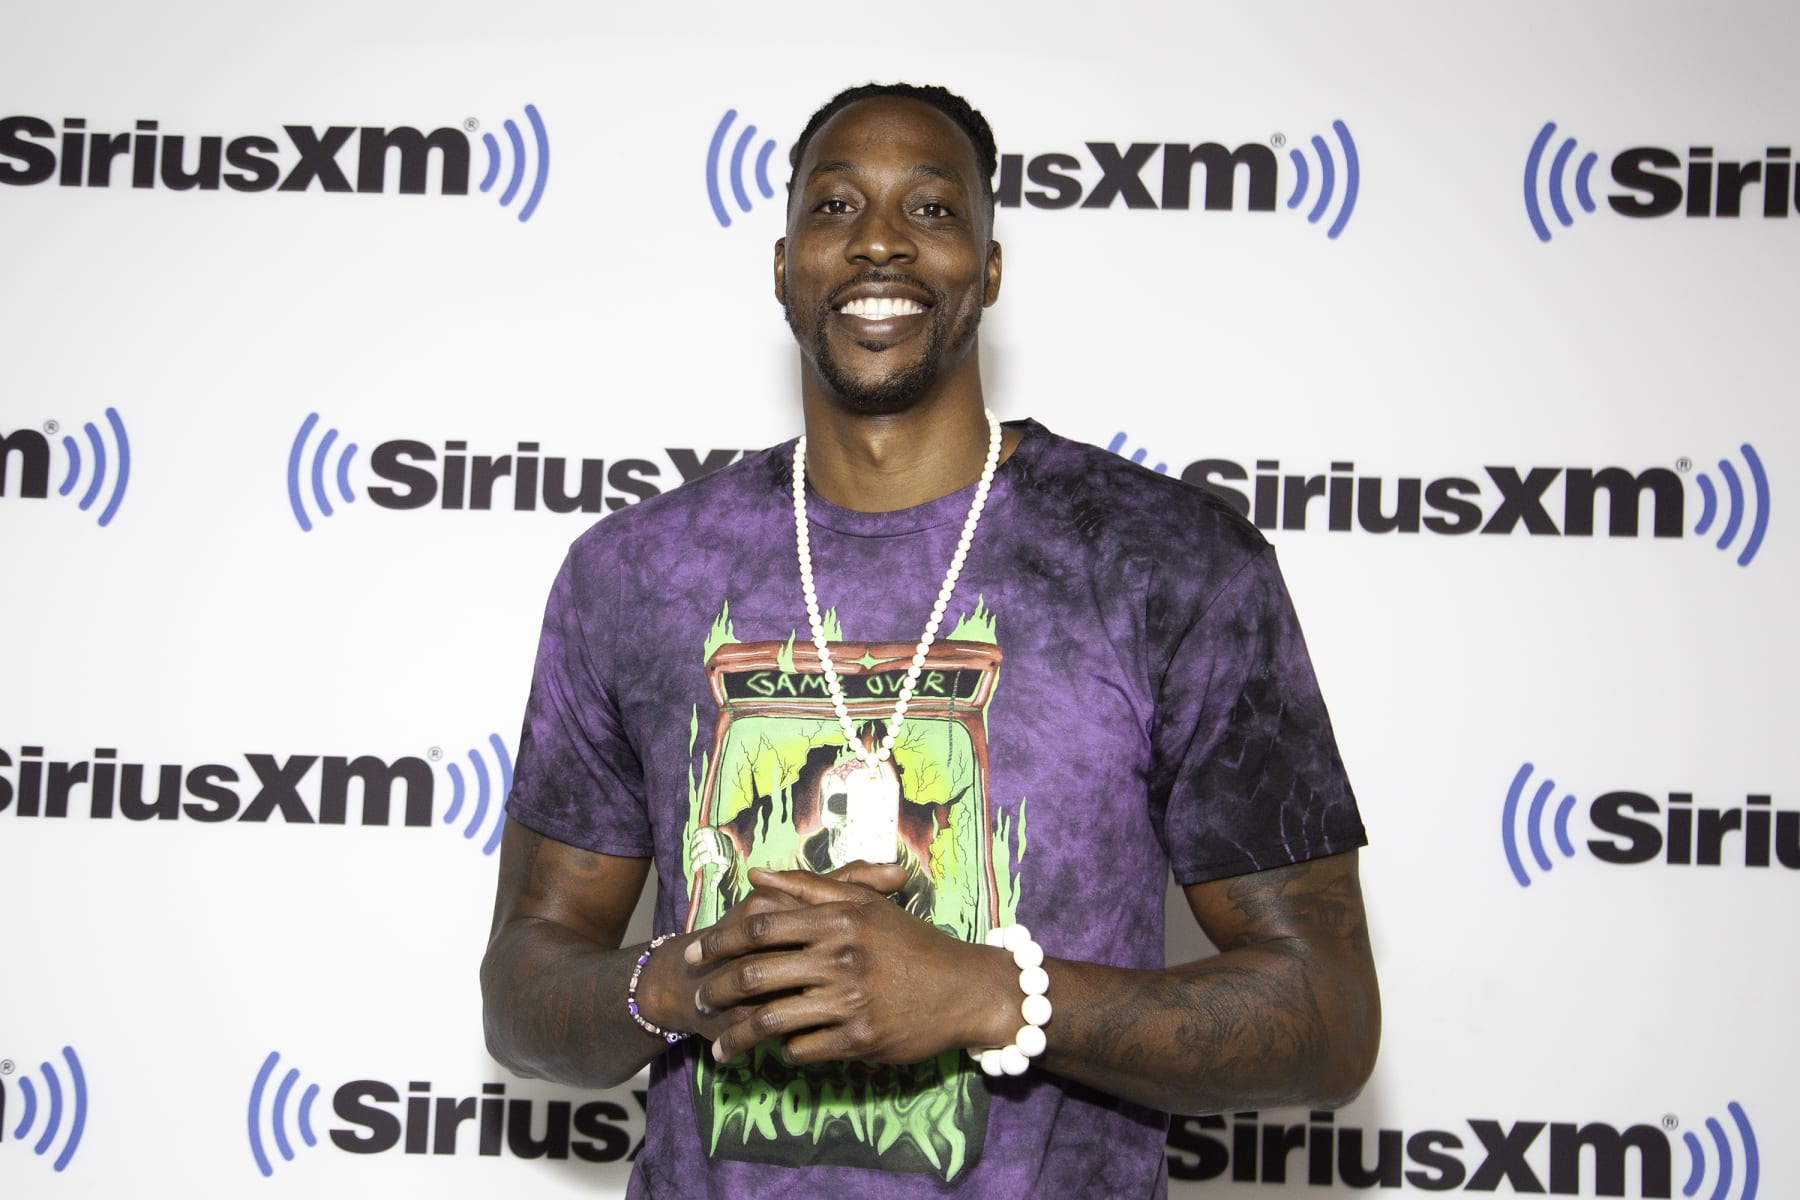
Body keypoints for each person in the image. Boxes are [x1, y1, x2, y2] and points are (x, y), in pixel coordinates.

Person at [481, 81, 1378, 1198]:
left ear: (988, 271)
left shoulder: (1169, 564)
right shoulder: (634, 574)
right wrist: (686, 979)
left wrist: (992, 995)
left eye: (933, 209)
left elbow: (1328, 1018)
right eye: (835, 206)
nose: (879, 241)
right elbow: (521, 994)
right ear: (783, 267)